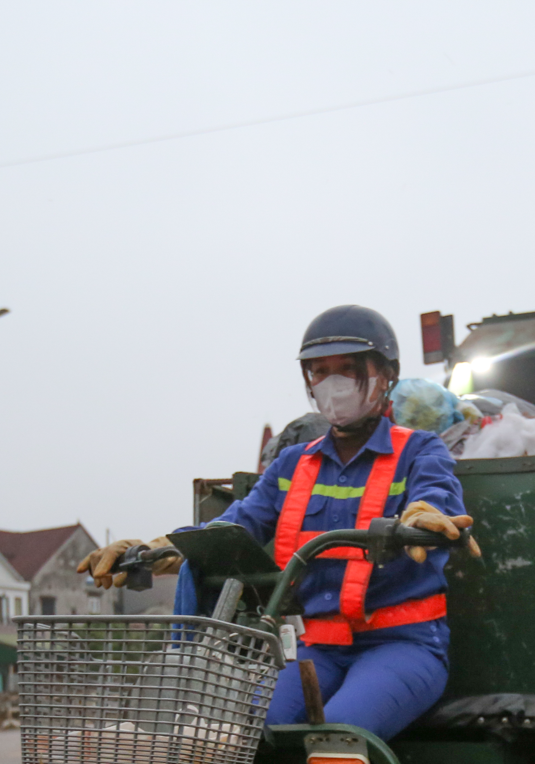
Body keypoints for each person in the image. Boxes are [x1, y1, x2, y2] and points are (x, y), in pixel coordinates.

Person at [77, 305, 474, 740]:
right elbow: (233, 529)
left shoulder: (420, 450)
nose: (333, 383)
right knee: (247, 738)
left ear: (385, 376)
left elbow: (435, 495)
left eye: (347, 368)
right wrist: (151, 552)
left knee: (340, 735)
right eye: (320, 371)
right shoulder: (292, 464)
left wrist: (425, 515)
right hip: (312, 649)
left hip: (401, 647)